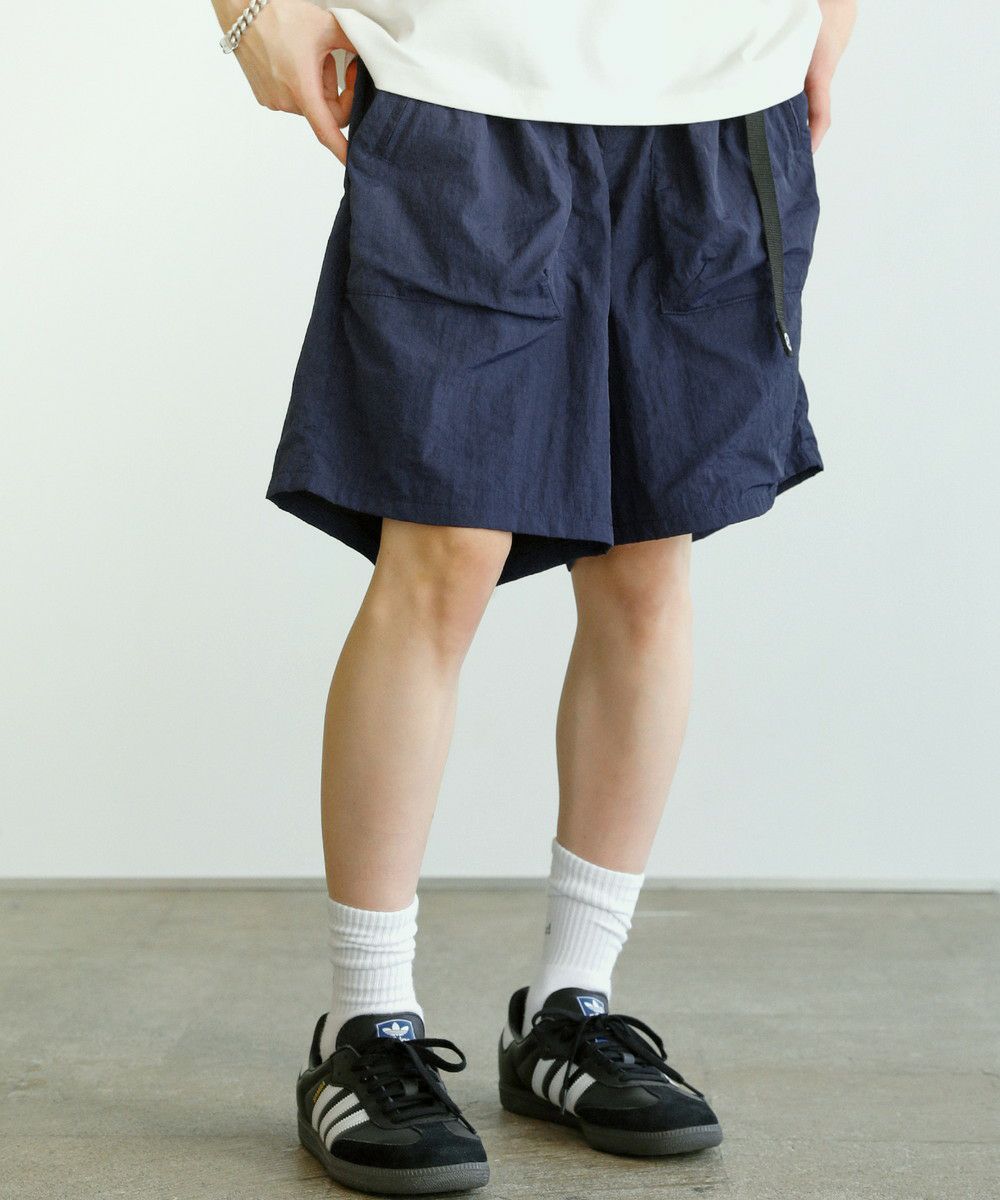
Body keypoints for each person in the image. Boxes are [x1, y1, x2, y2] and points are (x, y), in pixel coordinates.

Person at [210, 0, 856, 1192]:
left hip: (719, 89)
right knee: (443, 553)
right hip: (467, 81)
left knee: (647, 557)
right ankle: (368, 1022)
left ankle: (572, 1007)